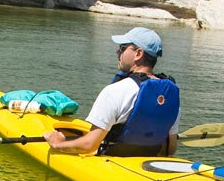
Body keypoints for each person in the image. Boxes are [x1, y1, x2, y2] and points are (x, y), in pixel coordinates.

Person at [44, 27, 180, 156]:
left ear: (138, 53)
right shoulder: (170, 94)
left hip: (112, 161)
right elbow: (170, 149)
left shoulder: (115, 91)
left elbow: (89, 145)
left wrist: (58, 143)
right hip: (146, 162)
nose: (117, 52)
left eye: (122, 48)